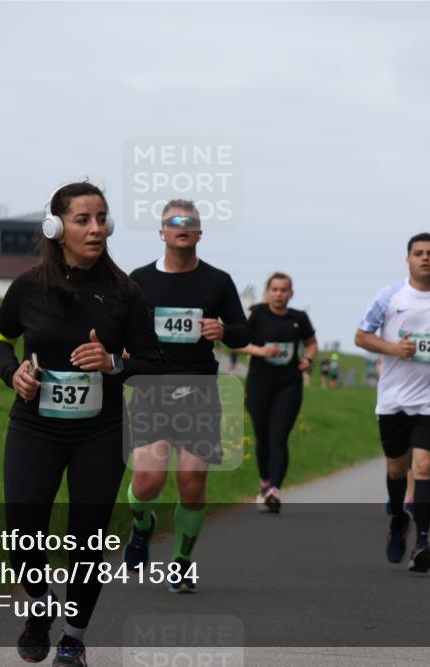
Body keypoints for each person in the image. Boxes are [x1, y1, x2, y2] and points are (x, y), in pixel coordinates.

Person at [0, 182, 163, 666]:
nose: (96, 228)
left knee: (87, 538)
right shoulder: (29, 286)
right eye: (83, 219)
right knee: (22, 532)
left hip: (99, 432)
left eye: (102, 218)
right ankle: (41, 607)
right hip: (34, 427)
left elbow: (151, 362)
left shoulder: (125, 292)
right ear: (56, 227)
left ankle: (73, 640)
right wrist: (13, 373)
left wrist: (111, 364)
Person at [123, 199, 251, 593]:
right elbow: (118, 329)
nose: (182, 226)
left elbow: (243, 334)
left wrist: (223, 331)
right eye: (173, 221)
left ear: (199, 233)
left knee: (192, 482)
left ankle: (180, 561)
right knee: (149, 479)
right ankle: (142, 524)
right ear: (161, 232)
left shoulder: (218, 281)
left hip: (198, 390)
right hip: (151, 388)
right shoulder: (139, 280)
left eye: (190, 222)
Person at [356, 232, 430, 573]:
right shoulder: (389, 296)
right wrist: (393, 349)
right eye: (418, 253)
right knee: (395, 470)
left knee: (423, 470)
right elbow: (361, 336)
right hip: (392, 401)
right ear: (407, 259)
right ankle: (397, 521)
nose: (425, 258)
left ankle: (422, 543)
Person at [233, 272, 317, 513]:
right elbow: (239, 343)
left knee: (278, 438)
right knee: (263, 438)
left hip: (288, 384)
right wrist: (261, 352)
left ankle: (274, 491)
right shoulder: (258, 315)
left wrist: (308, 360)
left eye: (284, 290)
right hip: (260, 383)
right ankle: (264, 483)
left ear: (291, 294)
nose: (279, 294)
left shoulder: (299, 318)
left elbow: (311, 343)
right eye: (275, 289)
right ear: (268, 292)